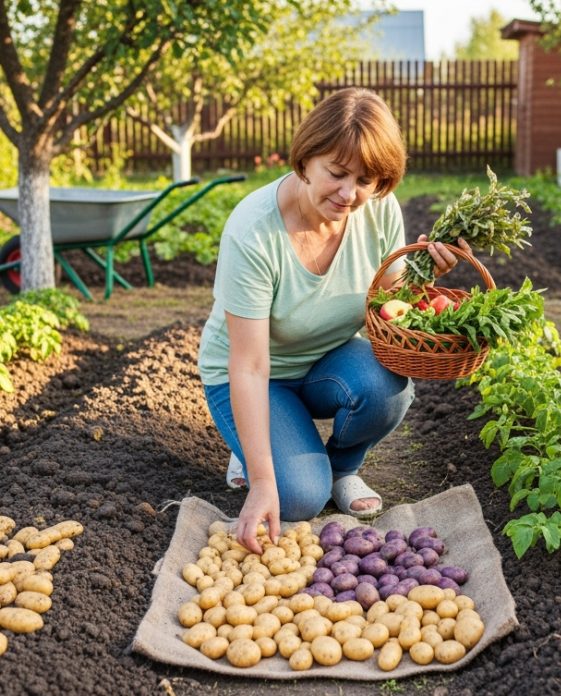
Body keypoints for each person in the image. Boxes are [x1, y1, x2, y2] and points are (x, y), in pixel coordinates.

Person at [198, 88, 470, 553]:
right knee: (299, 497)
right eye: (337, 173)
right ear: (305, 160)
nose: (350, 194)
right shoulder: (253, 232)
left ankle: (342, 469)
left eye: (366, 180)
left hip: (325, 364)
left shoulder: (378, 209)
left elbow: (389, 305)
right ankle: (255, 449)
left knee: (389, 385)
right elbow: (248, 366)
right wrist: (264, 481)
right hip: (252, 377)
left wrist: (426, 273)